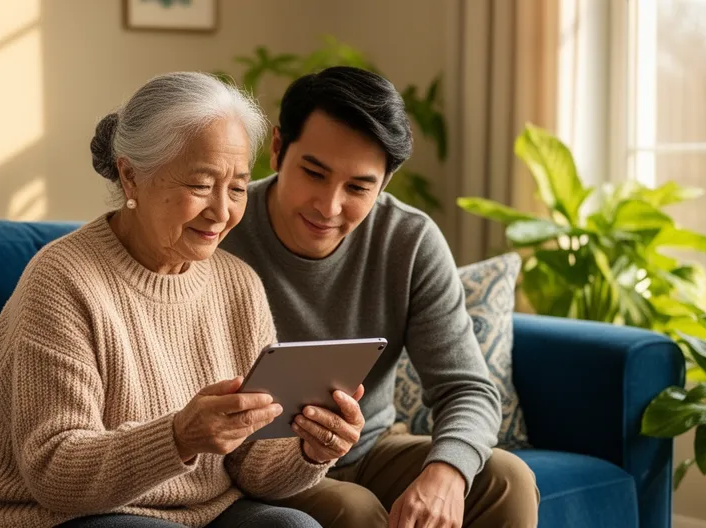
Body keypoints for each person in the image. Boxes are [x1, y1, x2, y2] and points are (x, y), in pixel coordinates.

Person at [0, 72, 368, 528]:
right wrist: (178, 437)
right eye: (201, 184)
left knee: (295, 526)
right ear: (131, 177)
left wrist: (310, 449)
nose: (222, 212)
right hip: (56, 516)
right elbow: (53, 472)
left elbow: (252, 468)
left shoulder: (238, 285)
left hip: (200, 514)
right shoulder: (63, 280)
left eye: (237, 187)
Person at [218, 66, 541, 528]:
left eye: (358, 187)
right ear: (276, 149)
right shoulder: (220, 227)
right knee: (354, 510)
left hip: (369, 447)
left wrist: (446, 473)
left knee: (506, 479)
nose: (328, 207)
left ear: (384, 184)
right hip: (256, 464)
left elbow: (467, 388)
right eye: (314, 172)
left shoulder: (408, 240)